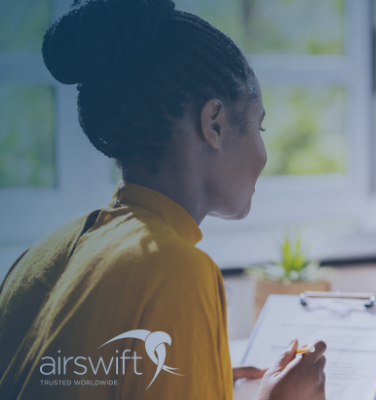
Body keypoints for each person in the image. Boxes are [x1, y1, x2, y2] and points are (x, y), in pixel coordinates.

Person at [0, 1, 325, 399]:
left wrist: (202, 370)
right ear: (215, 125)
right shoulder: (176, 269)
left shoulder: (44, 252)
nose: (264, 154)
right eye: (261, 126)